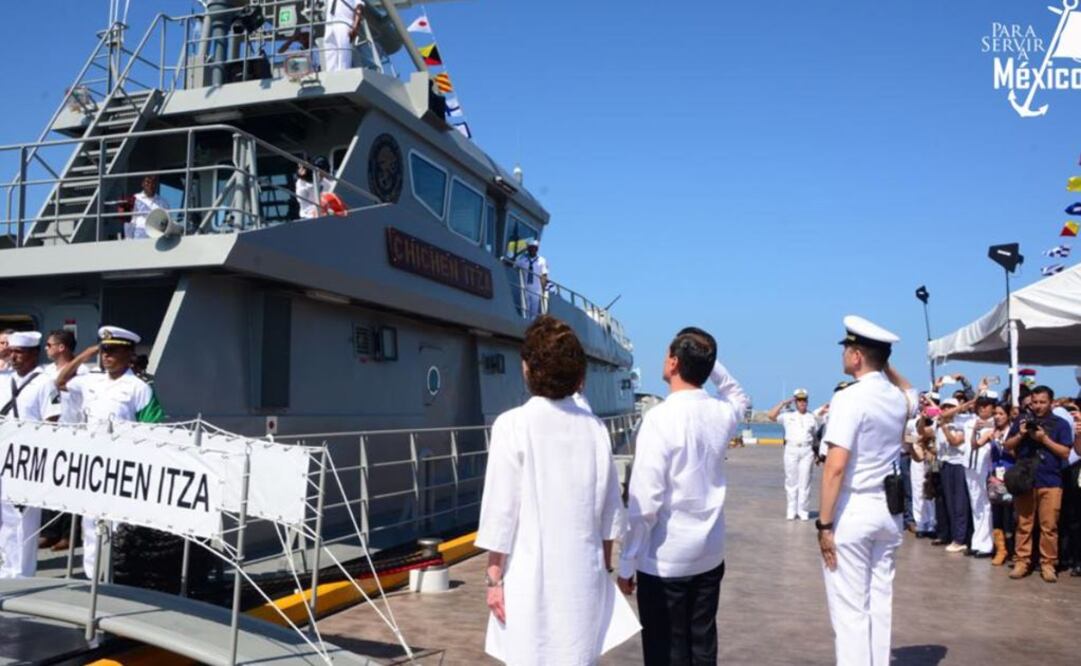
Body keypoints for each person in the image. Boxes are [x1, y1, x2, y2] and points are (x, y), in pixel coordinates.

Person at [476, 315, 638, 665]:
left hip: (527, 578)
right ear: (579, 375)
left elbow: (501, 512)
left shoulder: (512, 426)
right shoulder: (594, 429)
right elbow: (609, 512)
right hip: (583, 578)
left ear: (527, 368)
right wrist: (604, 570)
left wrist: (493, 580)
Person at [617, 327, 749, 666]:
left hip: (665, 558)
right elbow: (739, 396)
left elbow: (644, 502)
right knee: (702, 645)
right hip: (709, 552)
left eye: (666, 355)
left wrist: (628, 562)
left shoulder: (659, 419)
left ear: (674, 363)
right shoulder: (721, 413)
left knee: (666, 650)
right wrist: (709, 363)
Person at [817, 316, 916, 666]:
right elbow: (910, 391)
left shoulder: (850, 398)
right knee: (879, 601)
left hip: (853, 510)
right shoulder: (899, 400)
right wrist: (885, 363)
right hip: (889, 512)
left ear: (857, 355)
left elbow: (835, 466)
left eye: (847, 349)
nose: (843, 355)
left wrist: (824, 525)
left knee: (850, 610)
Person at [55, 326, 165, 581]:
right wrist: (86, 354)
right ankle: (93, 578)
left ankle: (114, 581)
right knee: (90, 525)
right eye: (104, 350)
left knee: (116, 529)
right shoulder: (91, 380)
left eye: (112, 351)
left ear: (128, 354)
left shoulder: (139, 388)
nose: (106, 356)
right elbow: (60, 381)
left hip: (121, 468)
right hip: (92, 467)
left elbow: (152, 430)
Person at [1003, 385, 1073, 582]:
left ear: (1051, 402)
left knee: (1049, 525)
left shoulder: (1060, 424)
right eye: (1034, 402)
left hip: (1051, 479)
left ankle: (1048, 563)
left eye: (1043, 402)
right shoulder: (1022, 420)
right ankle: (1022, 561)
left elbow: (1065, 452)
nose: (1038, 406)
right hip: (1026, 479)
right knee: (1024, 523)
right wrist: (1021, 434)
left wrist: (1044, 439)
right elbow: (1007, 446)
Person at [0, 332, 55, 578]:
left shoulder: (45, 383)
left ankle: (22, 574)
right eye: (12, 351)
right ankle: (6, 569)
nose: (14, 356)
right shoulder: (3, 380)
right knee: (6, 519)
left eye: (20, 352)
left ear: (34, 353)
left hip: (28, 461)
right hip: (2, 456)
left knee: (25, 522)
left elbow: (53, 422)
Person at [38, 329, 85, 550]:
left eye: (49, 345)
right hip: (49, 433)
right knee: (49, 484)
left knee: (69, 487)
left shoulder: (83, 371)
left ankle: (70, 535)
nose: (46, 348)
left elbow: (62, 384)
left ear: (61, 347)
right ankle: (50, 531)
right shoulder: (44, 371)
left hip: (72, 432)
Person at [768, 389, 818, 520]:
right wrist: (783, 403)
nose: (802, 403)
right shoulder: (787, 416)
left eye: (804, 400)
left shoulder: (811, 417)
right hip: (791, 450)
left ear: (807, 402)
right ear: (795, 402)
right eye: (799, 400)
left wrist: (817, 453)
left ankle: (803, 511)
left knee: (805, 482)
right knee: (791, 481)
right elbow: (771, 416)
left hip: (807, 451)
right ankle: (791, 510)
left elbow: (815, 437)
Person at [963, 395, 997, 558]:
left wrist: (990, 424)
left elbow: (999, 424)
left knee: (985, 505)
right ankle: (977, 541)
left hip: (985, 467)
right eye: (980, 405)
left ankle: (986, 544)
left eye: (987, 405)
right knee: (975, 503)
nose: (983, 408)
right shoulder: (970, 422)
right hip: (969, 466)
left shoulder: (995, 423)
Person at [935, 398, 970, 553]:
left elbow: (955, 441)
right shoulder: (939, 423)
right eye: (944, 406)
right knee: (950, 503)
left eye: (950, 407)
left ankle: (960, 538)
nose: (947, 409)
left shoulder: (963, 423)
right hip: (946, 464)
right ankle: (954, 535)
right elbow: (924, 433)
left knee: (960, 503)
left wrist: (944, 427)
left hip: (959, 464)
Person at [323, 0, 364, 72]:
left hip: (344, 22)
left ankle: (343, 72)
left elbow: (359, 7)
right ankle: (331, 74)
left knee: (343, 50)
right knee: (329, 51)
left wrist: (355, 26)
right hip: (329, 24)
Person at [513, 239, 548, 319]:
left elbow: (544, 275)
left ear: (537, 249)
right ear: (528, 249)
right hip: (525, 287)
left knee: (534, 311)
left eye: (534, 248)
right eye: (531, 248)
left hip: (536, 289)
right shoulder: (522, 260)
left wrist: (543, 289)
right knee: (525, 309)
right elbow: (513, 266)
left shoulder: (542, 261)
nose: (532, 250)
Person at [127, 175, 169, 239]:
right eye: (148, 182)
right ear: (142, 184)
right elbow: (132, 220)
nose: (151, 185)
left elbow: (166, 222)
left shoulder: (163, 203)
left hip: (156, 234)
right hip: (139, 233)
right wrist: (128, 238)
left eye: (153, 182)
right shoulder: (135, 198)